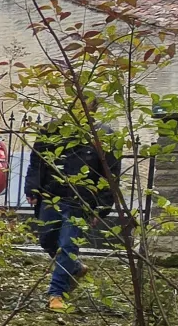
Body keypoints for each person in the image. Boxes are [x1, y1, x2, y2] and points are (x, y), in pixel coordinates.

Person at [24, 122, 119, 311]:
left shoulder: (104, 135)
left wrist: (101, 207)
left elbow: (111, 175)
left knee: (67, 245)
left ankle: (56, 293)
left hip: (80, 202)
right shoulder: (50, 130)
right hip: (50, 195)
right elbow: (37, 160)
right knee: (47, 240)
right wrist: (32, 188)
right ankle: (74, 268)